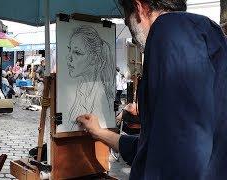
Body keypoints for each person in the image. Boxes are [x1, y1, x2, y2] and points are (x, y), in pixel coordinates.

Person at [77, 0, 227, 179]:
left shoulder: (167, 31)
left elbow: (183, 150)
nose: (133, 36)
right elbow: (155, 147)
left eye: (127, 22)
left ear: (139, 8)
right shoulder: (205, 31)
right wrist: (99, 132)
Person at [67, 25, 115, 131]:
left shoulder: (100, 96)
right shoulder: (82, 89)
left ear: (93, 59)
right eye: (69, 50)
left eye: (77, 52)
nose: (69, 57)